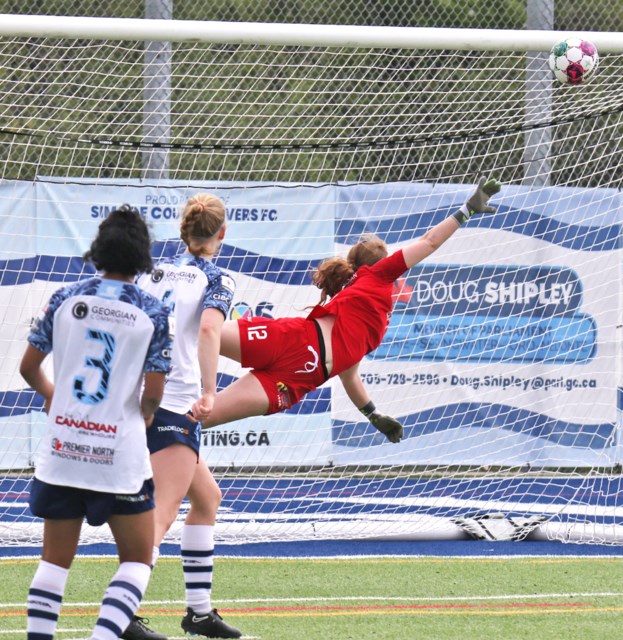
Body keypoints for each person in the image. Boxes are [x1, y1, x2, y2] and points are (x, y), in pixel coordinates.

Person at [198, 176, 501, 434]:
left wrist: (373, 414)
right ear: (377, 266)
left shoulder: (369, 311)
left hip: (292, 350)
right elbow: (430, 241)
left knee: (193, 395)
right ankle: (154, 358)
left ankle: (154, 392)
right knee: (198, 410)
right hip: (297, 369)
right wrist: (466, 211)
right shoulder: (378, 276)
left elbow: (349, 374)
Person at [19, 205, 171, 640]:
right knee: (139, 559)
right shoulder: (153, 312)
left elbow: (28, 367)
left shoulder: (65, 298)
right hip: (117, 455)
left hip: (64, 447)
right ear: (143, 257)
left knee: (53, 562)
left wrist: (55, 397)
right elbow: (155, 393)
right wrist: (141, 419)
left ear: (97, 251)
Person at [123, 193, 242, 640]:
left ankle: (198, 614)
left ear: (183, 231)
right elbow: (211, 328)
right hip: (175, 404)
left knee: (207, 497)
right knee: (162, 513)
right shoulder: (217, 277)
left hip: (142, 396)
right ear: (222, 233)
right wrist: (211, 391)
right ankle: (123, 615)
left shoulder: (152, 271)